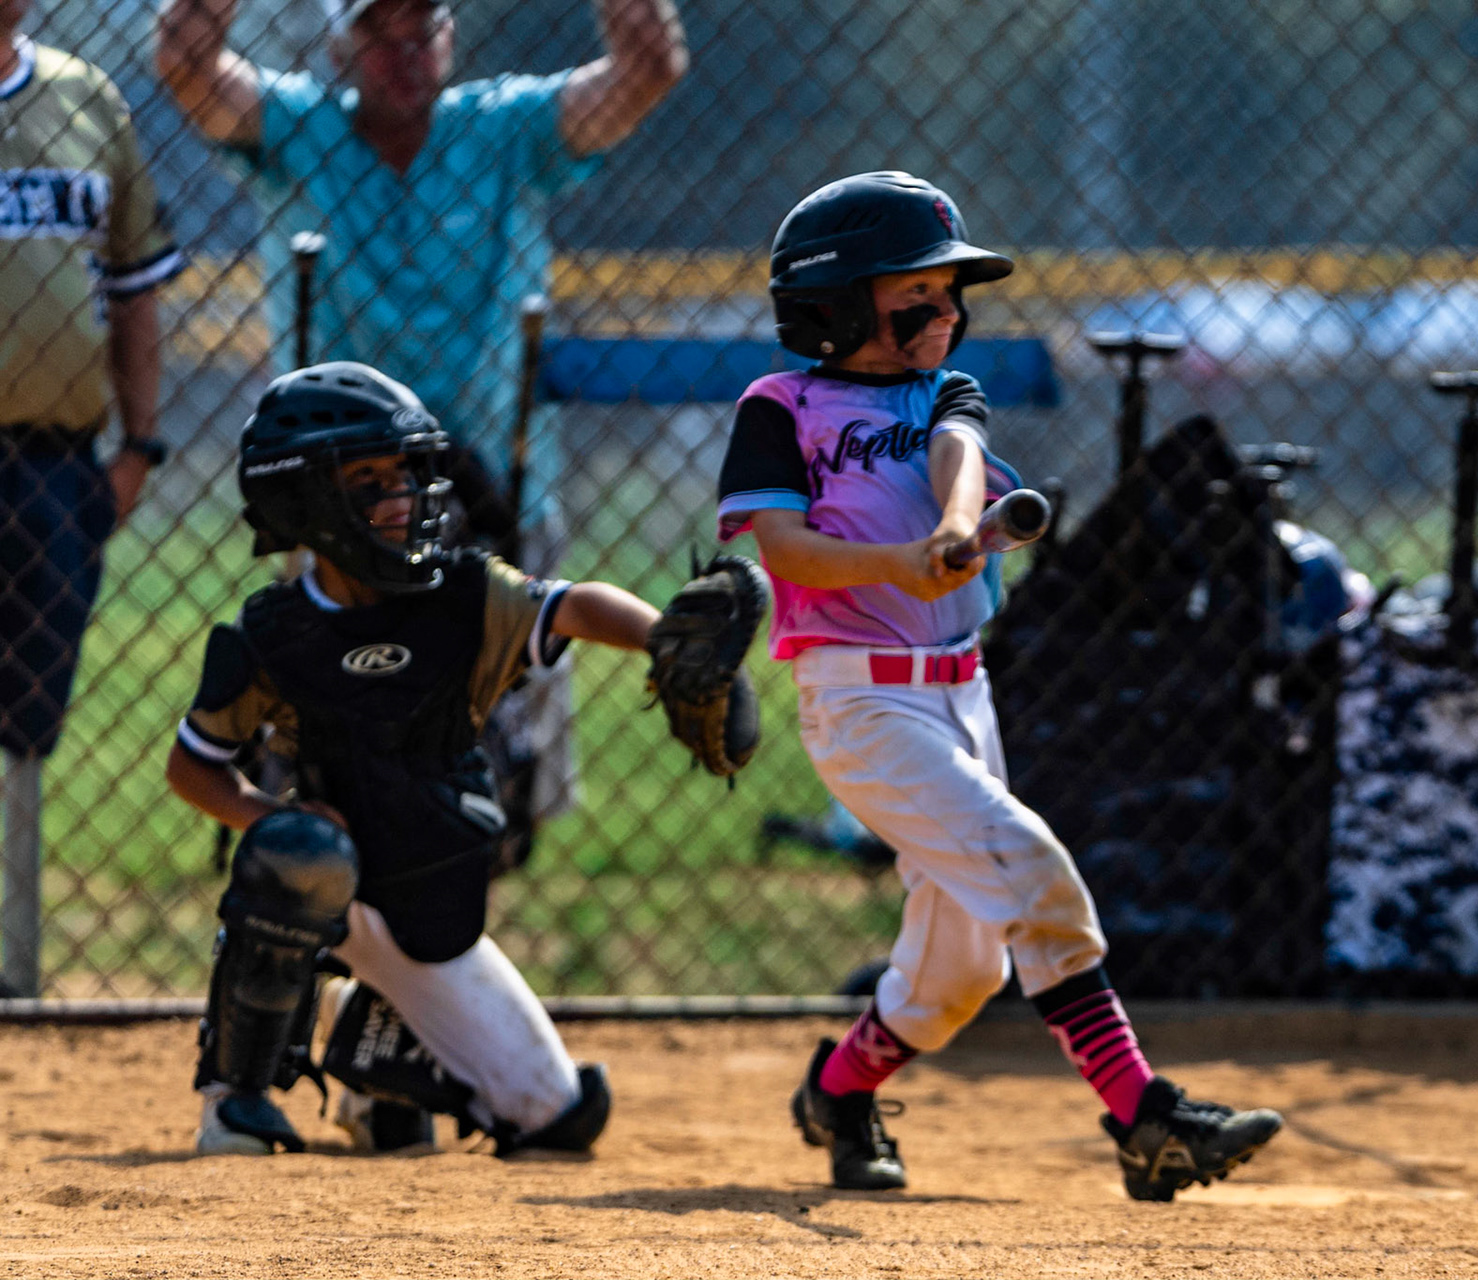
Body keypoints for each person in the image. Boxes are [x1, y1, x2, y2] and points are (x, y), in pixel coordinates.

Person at [716, 171, 1283, 1201]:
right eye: (917, 298)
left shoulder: (944, 391)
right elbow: (789, 549)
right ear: (836, 305)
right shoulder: (779, 407)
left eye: (951, 297)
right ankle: (1144, 1116)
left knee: (962, 968)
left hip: (964, 698)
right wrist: (899, 561)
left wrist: (952, 523)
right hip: (864, 702)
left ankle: (839, 1090)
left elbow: (958, 452)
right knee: (1030, 865)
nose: (947, 315)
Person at [155, 0, 690, 862]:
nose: (404, 51)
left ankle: (466, 917)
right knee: (336, 738)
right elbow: (187, 70)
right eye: (379, 32)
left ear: (452, 38)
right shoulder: (301, 129)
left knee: (499, 755)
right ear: (342, 45)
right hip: (338, 497)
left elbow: (647, 71)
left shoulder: (505, 129)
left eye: (423, 27)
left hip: (498, 482)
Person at [166, 361, 667, 1156]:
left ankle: (369, 1057)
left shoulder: (464, 597)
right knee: (297, 851)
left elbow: (573, 605)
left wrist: (664, 640)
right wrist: (271, 817)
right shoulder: (273, 632)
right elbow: (193, 766)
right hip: (331, 890)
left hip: (428, 892)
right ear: (306, 500)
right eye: (368, 479)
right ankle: (235, 1098)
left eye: (404, 473)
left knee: (555, 1118)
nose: (400, 496)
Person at [1, 0, 183, 766]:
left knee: (28, 735)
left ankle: (18, 889)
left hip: (56, 464)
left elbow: (134, 286)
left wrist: (139, 445)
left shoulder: (86, 97)